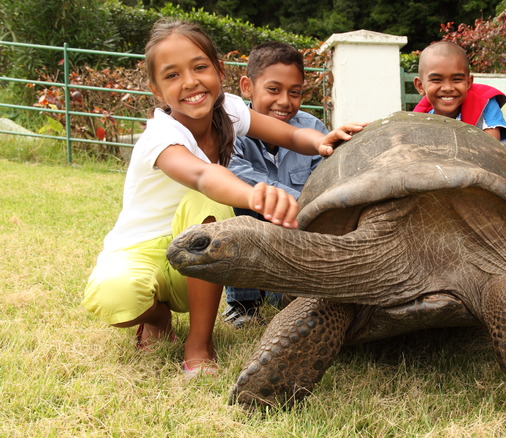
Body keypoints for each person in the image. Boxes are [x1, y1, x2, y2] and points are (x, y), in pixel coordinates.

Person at [81, 18, 363, 376]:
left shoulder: (227, 110)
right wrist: (254, 194)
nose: (190, 82)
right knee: (115, 296)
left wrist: (321, 141)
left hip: (199, 260)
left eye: (200, 67)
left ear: (219, 70)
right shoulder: (160, 136)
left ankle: (199, 343)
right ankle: (156, 314)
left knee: (208, 207)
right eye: (172, 76)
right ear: (155, 90)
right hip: (143, 249)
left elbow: (290, 135)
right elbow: (203, 174)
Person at [222, 41, 328, 328]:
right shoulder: (230, 129)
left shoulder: (313, 129)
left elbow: (325, 181)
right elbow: (236, 174)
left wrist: (306, 206)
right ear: (247, 87)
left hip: (297, 230)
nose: (285, 101)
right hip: (256, 218)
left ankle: (289, 294)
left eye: (295, 93)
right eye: (273, 89)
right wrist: (292, 199)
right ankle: (242, 303)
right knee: (239, 210)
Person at [413, 41, 506, 145]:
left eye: (456, 79)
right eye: (436, 80)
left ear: (468, 83)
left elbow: (489, 147)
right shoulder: (419, 120)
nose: (448, 88)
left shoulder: (485, 104)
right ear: (420, 86)